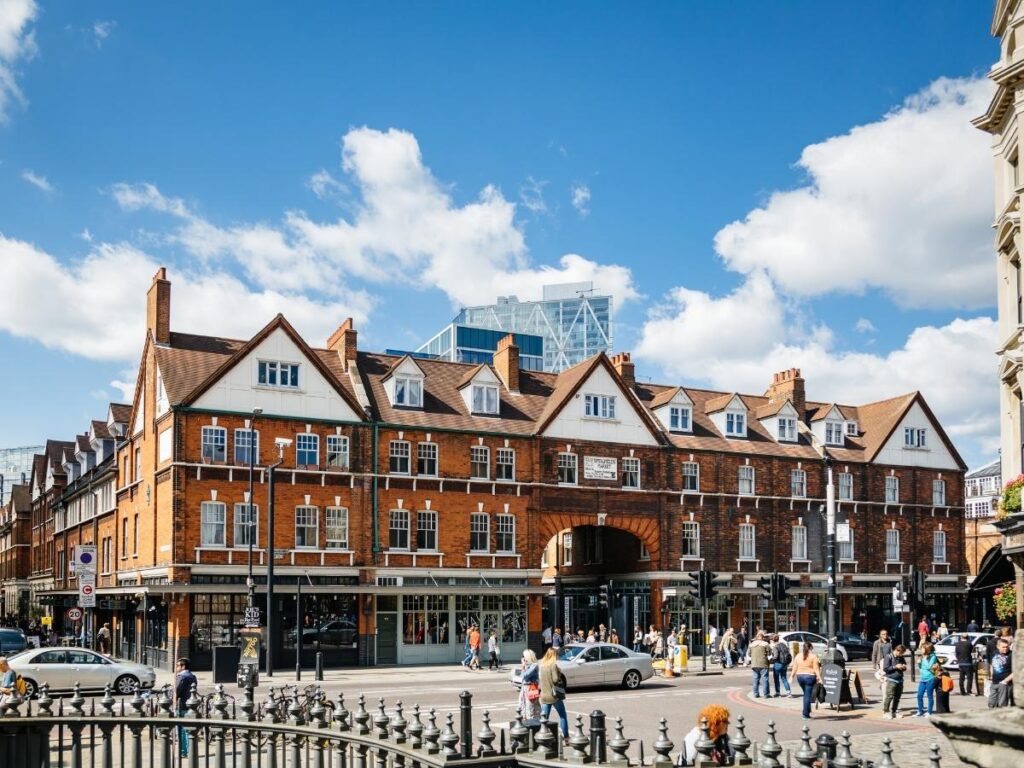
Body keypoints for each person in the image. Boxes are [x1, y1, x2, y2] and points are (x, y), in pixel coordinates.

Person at [538, 648, 569, 744]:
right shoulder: (553, 666)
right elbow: (555, 680)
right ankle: (566, 738)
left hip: (544, 695)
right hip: (554, 696)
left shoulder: (542, 665)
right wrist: (559, 672)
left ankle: (542, 737)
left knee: (544, 719)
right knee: (563, 715)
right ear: (554, 655)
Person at [789, 641, 822, 720]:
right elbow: (816, 668)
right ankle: (805, 714)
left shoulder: (798, 656)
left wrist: (791, 676)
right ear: (810, 648)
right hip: (810, 677)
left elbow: (794, 667)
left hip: (800, 677)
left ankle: (808, 710)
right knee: (807, 696)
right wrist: (819, 677)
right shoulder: (813, 656)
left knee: (806, 694)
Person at [174, 658, 197, 757]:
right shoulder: (192, 676)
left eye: (178, 665)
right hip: (191, 705)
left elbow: (176, 691)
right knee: (188, 730)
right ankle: (189, 750)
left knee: (182, 730)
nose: (177, 667)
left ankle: (184, 751)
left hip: (181, 705)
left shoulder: (181, 677)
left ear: (183, 666)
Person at [881, 644, 907, 719]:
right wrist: (895, 667)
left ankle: (894, 712)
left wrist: (903, 667)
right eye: (901, 653)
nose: (901, 655)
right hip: (891, 679)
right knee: (889, 696)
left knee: (897, 697)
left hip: (900, 679)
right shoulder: (888, 657)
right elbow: (885, 669)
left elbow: (904, 666)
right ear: (897, 650)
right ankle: (885, 712)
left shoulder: (901, 657)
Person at [988, 636, 1014, 708]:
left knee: (1002, 704)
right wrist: (991, 674)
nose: (1005, 649)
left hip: (1005, 683)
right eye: (1003, 647)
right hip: (994, 681)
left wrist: (1005, 681)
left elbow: (1016, 672)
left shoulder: (1011, 655)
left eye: (1007, 647)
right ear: (998, 646)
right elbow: (992, 664)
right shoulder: (994, 653)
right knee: (991, 702)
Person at [915, 641, 938, 717]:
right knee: (919, 695)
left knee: (929, 695)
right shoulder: (922, 656)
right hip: (922, 678)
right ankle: (920, 711)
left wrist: (922, 660)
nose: (921, 649)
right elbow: (921, 667)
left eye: (922, 648)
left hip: (930, 678)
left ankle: (929, 711)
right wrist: (919, 663)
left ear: (927, 649)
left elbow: (929, 666)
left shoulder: (933, 656)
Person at [517, 649, 541, 721]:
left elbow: (526, 676)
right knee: (523, 707)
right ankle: (526, 720)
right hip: (525, 689)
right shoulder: (527, 666)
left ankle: (533, 723)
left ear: (528, 657)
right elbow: (522, 676)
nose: (523, 659)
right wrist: (524, 667)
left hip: (532, 688)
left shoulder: (534, 665)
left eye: (524, 657)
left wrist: (523, 666)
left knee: (531, 707)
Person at [748, 631, 770, 698]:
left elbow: (749, 654)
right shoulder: (765, 644)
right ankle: (766, 694)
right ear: (763, 637)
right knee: (765, 679)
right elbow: (769, 653)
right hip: (763, 664)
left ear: (756, 637)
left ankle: (755, 694)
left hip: (754, 664)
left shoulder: (751, 645)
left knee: (755, 679)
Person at [770, 633, 792, 697]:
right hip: (785, 664)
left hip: (778, 664)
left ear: (773, 640)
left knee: (776, 679)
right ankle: (789, 692)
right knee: (784, 678)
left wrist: (771, 659)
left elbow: (776, 656)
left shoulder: (775, 647)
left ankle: (778, 692)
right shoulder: (783, 644)